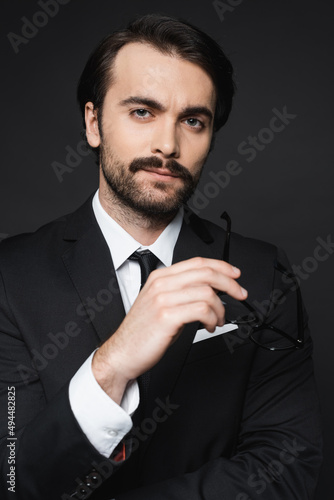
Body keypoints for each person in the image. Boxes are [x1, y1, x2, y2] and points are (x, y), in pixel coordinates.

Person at [0, 14, 322, 500]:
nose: (168, 145)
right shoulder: (10, 274)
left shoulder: (263, 271)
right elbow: (12, 476)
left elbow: (286, 462)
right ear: (94, 123)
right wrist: (111, 364)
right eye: (143, 112)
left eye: (193, 121)